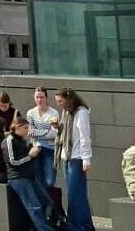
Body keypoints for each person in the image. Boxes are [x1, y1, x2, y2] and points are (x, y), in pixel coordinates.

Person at [3, 115, 57, 231]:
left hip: (29, 175)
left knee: (46, 201)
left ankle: (38, 227)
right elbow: (13, 161)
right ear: (18, 127)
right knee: (34, 206)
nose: (29, 131)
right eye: (26, 128)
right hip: (18, 177)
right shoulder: (9, 140)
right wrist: (30, 155)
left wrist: (32, 150)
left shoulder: (23, 139)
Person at [55, 87, 94, 231]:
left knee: (76, 194)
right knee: (74, 194)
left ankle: (80, 225)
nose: (58, 104)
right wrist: (56, 128)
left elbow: (84, 137)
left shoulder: (81, 113)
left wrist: (86, 159)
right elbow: (65, 134)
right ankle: (83, 224)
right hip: (68, 156)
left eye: (60, 101)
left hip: (77, 157)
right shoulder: (67, 112)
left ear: (68, 99)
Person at [26, 87, 59, 190]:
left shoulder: (54, 113)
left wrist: (38, 133)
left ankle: (49, 202)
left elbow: (54, 134)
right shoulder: (31, 113)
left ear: (46, 98)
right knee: (37, 180)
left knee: (49, 181)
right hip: (35, 149)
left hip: (49, 149)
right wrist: (46, 132)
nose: (39, 100)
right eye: (37, 97)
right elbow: (30, 132)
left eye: (42, 97)